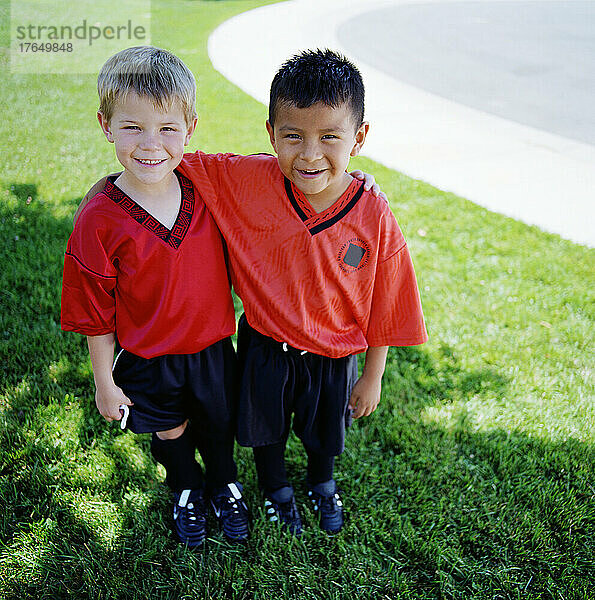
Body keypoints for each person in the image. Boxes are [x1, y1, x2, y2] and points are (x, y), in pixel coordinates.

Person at [177, 49, 428, 535]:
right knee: (265, 430)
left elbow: (386, 306)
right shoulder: (247, 179)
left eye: (330, 137)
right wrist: (114, 184)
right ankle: (277, 490)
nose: (310, 155)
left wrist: (371, 376)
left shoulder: (373, 213)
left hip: (334, 356)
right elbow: (170, 159)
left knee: (325, 434)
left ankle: (322, 482)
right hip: (266, 345)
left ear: (359, 137)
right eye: (293, 136)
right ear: (271, 134)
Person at [60, 46, 250, 547]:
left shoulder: (206, 184)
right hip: (149, 354)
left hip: (211, 349)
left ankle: (224, 480)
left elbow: (274, 175)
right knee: (169, 428)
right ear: (105, 124)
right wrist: (104, 380)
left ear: (191, 126)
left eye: (168, 129)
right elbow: (93, 311)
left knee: (218, 422)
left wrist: (349, 179)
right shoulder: (99, 216)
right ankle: (186, 486)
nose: (151, 145)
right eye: (132, 127)